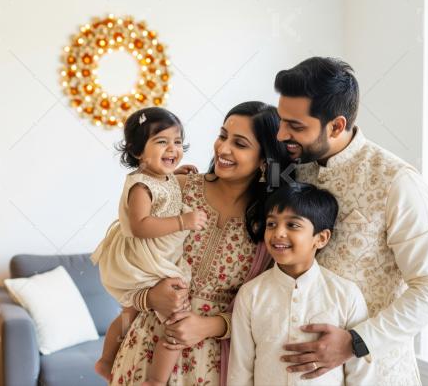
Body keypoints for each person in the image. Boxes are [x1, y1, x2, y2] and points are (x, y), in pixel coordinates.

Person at [274, 57, 428, 384]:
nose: (282, 133)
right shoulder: (294, 170)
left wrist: (356, 342)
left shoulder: (397, 181)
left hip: (377, 373)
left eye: (296, 126)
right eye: (282, 120)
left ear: (336, 126)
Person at [108, 101, 290, 385]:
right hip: (146, 350)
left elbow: (274, 304)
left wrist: (211, 326)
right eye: (222, 136)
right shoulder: (176, 188)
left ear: (265, 160)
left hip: (214, 364)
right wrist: (149, 296)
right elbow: (124, 259)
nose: (223, 148)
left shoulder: (272, 222)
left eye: (240, 144)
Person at [92, 107, 208, 386]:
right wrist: (183, 221)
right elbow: (141, 225)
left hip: (157, 254)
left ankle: (105, 361)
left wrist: (174, 173)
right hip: (147, 258)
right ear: (137, 152)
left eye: (177, 142)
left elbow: (162, 190)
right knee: (177, 318)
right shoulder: (140, 187)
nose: (172, 148)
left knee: (129, 313)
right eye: (161, 142)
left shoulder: (160, 178)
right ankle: (156, 380)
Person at [228, 183, 374, 385]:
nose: (278, 233)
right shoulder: (251, 294)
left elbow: (361, 375)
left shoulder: (346, 294)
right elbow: (240, 371)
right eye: (271, 224)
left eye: (293, 225)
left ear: (321, 238)